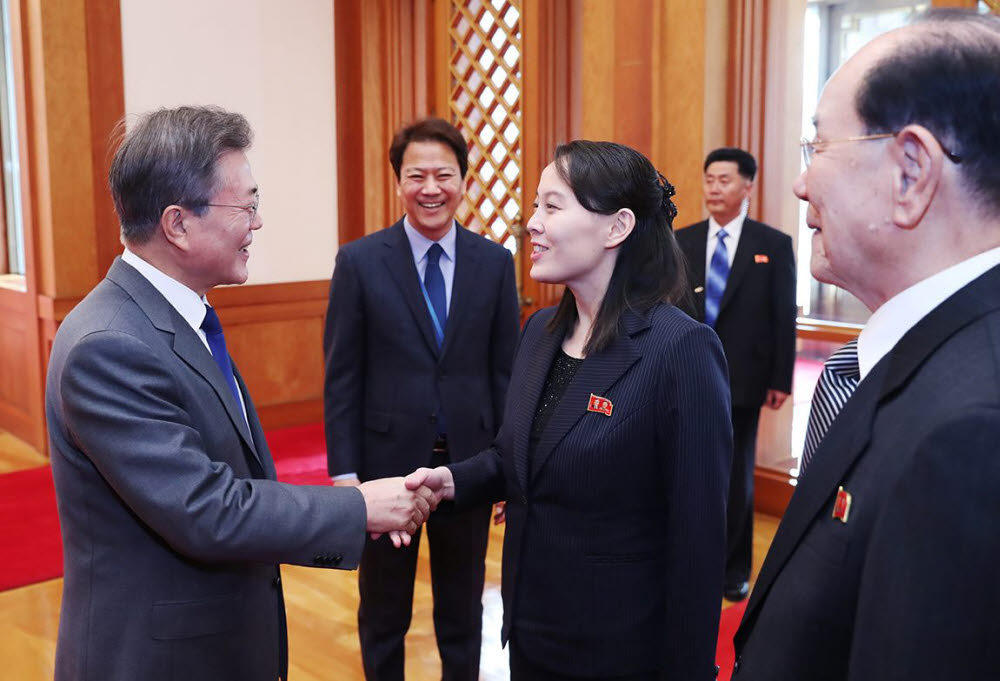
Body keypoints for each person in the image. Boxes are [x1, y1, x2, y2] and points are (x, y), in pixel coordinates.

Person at [45, 106, 434, 681]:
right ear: (178, 223)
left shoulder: (175, 316)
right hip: (157, 658)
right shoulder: (108, 345)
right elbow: (205, 508)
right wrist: (359, 508)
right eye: (246, 206)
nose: (257, 223)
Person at [733, 10, 1000, 680]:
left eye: (817, 148)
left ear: (911, 172)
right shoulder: (936, 357)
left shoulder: (969, 430)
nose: (800, 182)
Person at [406, 140, 732, 680]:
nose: (531, 223)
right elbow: (518, 455)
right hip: (532, 634)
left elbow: (697, 546)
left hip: (621, 650)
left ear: (616, 227)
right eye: (535, 206)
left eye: (551, 207)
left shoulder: (680, 351)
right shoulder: (540, 332)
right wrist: (450, 481)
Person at [323, 117, 519, 681]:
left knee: (463, 605)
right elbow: (342, 375)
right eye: (417, 175)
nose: (431, 188)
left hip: (470, 461)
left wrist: (504, 467)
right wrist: (344, 473)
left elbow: (505, 371)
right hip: (385, 466)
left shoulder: (494, 263)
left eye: (444, 174)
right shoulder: (359, 262)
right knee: (384, 607)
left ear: (463, 180)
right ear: (398, 181)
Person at [675, 148, 796, 602]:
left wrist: (780, 377)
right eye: (708, 179)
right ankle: (689, 561)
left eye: (724, 180)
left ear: (748, 186)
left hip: (744, 378)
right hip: (689, 374)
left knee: (735, 476)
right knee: (689, 468)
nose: (713, 188)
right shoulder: (682, 240)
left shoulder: (772, 244)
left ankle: (733, 570)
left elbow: (782, 315)